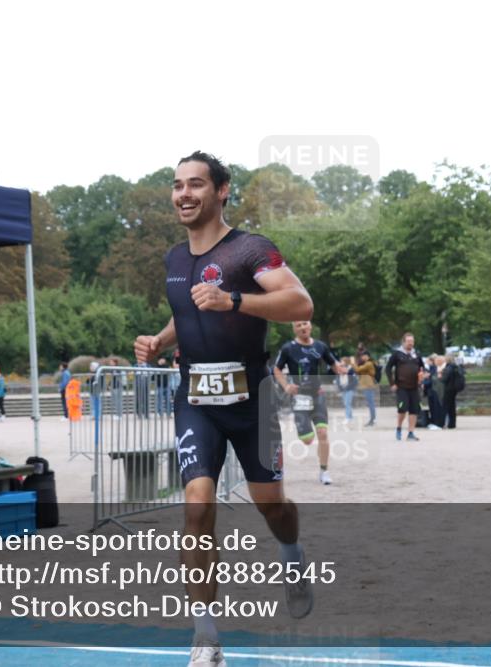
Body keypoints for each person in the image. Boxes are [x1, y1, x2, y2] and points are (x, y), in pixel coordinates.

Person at [133, 151, 315, 666]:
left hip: (252, 401)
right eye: (176, 186)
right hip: (196, 400)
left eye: (195, 184)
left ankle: (291, 556)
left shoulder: (249, 250)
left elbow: (300, 303)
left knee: (272, 508)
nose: (183, 194)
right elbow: (186, 312)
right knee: (197, 505)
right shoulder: (173, 258)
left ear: (221, 191)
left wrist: (235, 301)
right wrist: (160, 341)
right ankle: (206, 638)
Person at [273, 320, 344, 484]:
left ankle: (324, 471)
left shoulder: (320, 346)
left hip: (317, 395)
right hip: (299, 398)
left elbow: (333, 364)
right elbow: (276, 368)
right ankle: (305, 434)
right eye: (298, 325)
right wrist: (286, 386)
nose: (303, 327)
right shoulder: (288, 348)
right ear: (294, 330)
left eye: (305, 324)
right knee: (307, 439)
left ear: (311, 326)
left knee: (323, 433)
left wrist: (340, 369)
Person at [385, 333, 426, 441]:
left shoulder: (416, 354)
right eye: (408, 341)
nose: (410, 343)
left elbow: (422, 367)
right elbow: (388, 368)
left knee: (414, 410)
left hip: (414, 387)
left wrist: (422, 378)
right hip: (401, 387)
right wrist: (392, 383)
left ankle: (411, 433)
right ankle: (399, 427)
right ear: (403, 342)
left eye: (412, 341)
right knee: (402, 409)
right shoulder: (397, 354)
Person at [354, 351, 378, 426]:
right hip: (367, 385)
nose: (361, 357)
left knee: (371, 403)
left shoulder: (368, 364)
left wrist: (352, 363)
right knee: (370, 403)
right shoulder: (368, 363)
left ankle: (372, 420)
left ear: (366, 356)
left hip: (368, 385)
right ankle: (372, 419)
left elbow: (357, 370)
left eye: (362, 356)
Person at [440, 354, 463, 428]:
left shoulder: (449, 367)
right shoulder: (456, 367)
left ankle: (442, 422)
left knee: (445, 406)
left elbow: (445, 379)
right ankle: (452, 424)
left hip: (448, 389)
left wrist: (440, 376)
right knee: (452, 407)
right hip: (454, 389)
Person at [429, 354, 448, 430]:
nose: (435, 362)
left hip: (441, 390)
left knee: (441, 406)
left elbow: (439, 379)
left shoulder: (443, 368)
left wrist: (434, 376)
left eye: (436, 361)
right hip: (436, 389)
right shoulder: (438, 368)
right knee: (437, 406)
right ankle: (437, 423)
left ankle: (441, 424)